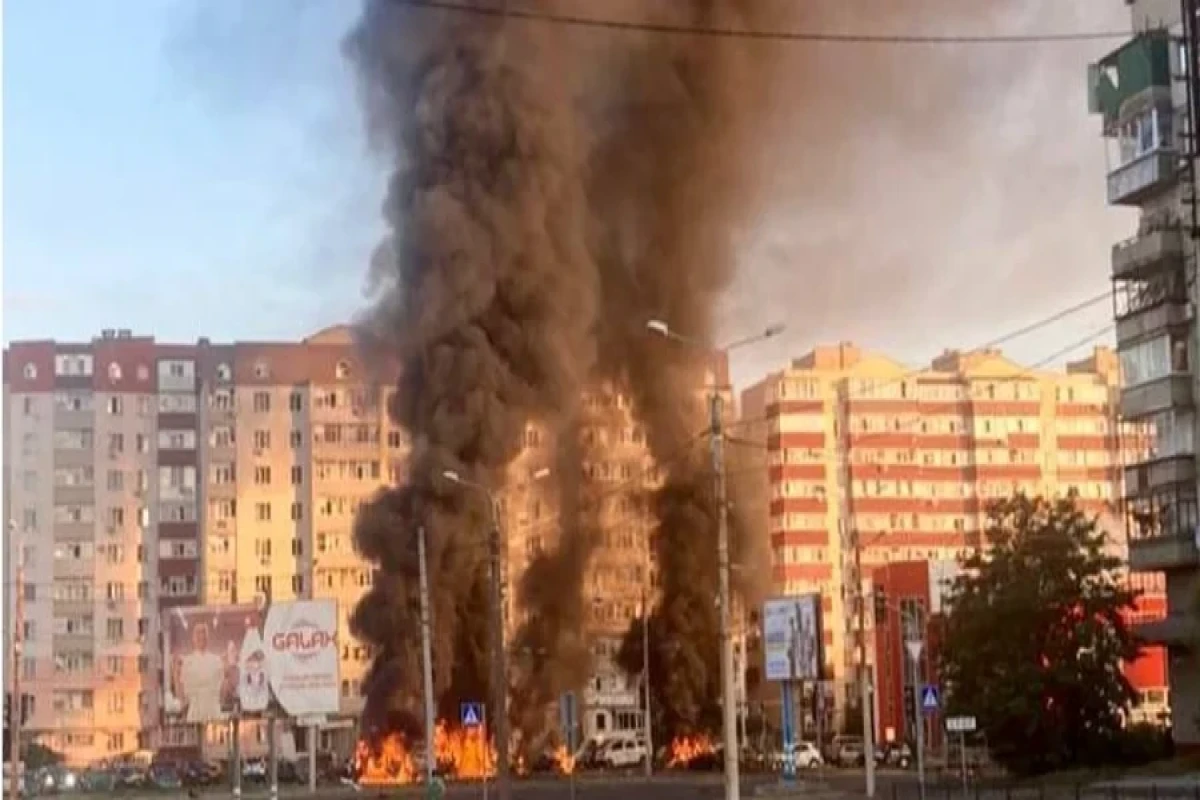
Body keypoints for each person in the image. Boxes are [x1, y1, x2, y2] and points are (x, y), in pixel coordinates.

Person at [180, 623, 225, 722]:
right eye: (198, 635)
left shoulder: (216, 660)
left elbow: (222, 688)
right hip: (195, 709)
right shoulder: (187, 662)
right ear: (193, 639)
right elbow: (183, 690)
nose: (201, 637)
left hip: (213, 709)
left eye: (203, 634)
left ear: (207, 638)